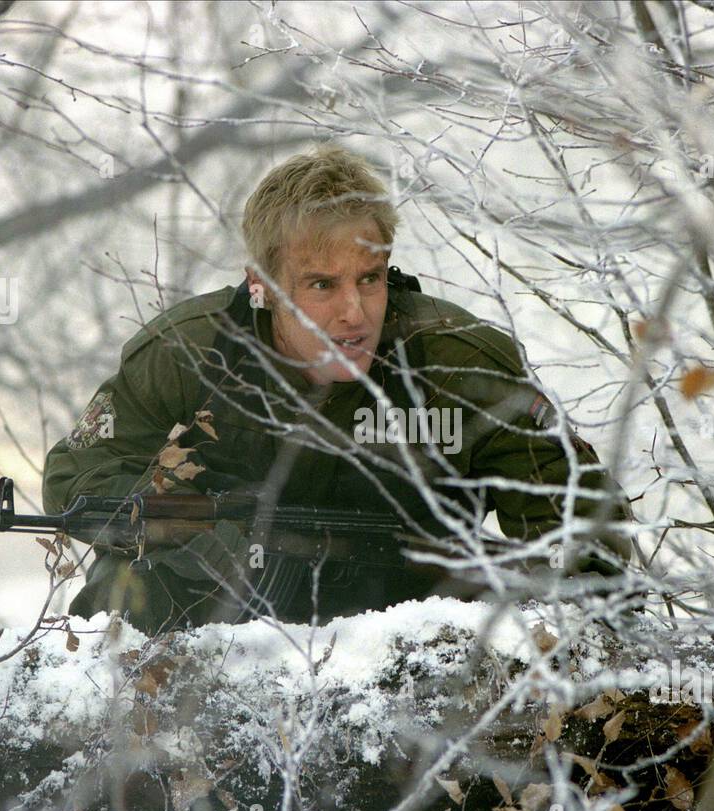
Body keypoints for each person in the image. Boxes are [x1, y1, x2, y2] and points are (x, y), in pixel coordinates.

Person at [42, 143, 633, 633]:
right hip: (219, 603)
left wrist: (541, 605)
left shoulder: (456, 360)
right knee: (124, 592)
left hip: (418, 613)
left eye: (370, 279)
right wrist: (186, 533)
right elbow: (77, 480)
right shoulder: (189, 352)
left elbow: (581, 532)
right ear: (263, 286)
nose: (355, 313)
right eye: (321, 285)